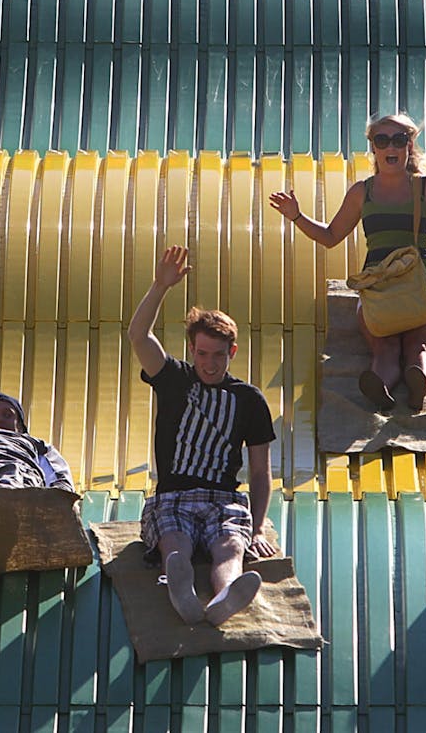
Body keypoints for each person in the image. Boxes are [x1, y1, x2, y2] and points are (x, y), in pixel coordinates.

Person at [269, 113, 426, 412]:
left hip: (416, 289)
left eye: (399, 140)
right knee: (404, 348)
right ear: (373, 148)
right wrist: (296, 216)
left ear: (410, 146)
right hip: (397, 290)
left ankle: (404, 384)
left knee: (405, 347)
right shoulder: (363, 192)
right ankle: (396, 386)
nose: (391, 147)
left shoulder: (425, 187)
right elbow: (331, 235)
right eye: (382, 140)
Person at [128, 246, 278, 626]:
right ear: (191, 350)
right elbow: (138, 336)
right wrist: (160, 287)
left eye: (218, 355)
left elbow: (260, 472)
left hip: (224, 498)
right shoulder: (174, 378)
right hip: (174, 495)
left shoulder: (248, 398)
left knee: (228, 546)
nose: (209, 364)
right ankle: (180, 587)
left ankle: (226, 593)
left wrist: (257, 526)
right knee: (175, 539)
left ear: (233, 352)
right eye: (202, 354)